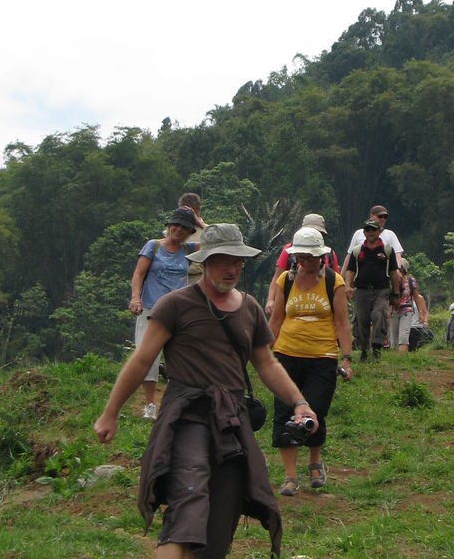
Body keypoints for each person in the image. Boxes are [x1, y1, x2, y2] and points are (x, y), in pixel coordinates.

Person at [95, 223, 319, 559]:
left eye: (237, 262)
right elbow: (142, 360)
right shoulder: (176, 305)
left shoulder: (249, 308)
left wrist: (299, 403)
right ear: (205, 262)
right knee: (188, 502)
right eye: (223, 261)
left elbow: (266, 363)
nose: (231, 270)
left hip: (231, 421)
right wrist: (110, 413)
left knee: (221, 518)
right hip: (187, 416)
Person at [268, 226, 353, 496]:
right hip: (286, 354)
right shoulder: (286, 281)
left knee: (315, 411)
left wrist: (347, 359)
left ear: (321, 257)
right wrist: (265, 354)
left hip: (322, 356)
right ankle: (290, 476)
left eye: (311, 257)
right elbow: (277, 319)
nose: (306, 261)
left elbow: (342, 322)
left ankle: (315, 462)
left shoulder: (333, 281)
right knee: (284, 414)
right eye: (302, 257)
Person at [128, 206, 200, 419]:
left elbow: (216, 242)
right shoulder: (154, 246)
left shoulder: (188, 250)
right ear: (169, 226)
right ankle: (150, 404)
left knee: (179, 357)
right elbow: (138, 274)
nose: (178, 230)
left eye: (184, 227)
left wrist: (198, 221)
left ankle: (174, 402)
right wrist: (135, 298)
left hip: (178, 311)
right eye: (175, 225)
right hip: (151, 308)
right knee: (147, 354)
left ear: (189, 231)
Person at [344, 219, 401, 361]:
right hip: (361, 290)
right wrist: (348, 286)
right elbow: (350, 270)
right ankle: (364, 350)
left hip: (381, 290)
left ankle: (377, 348)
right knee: (361, 319)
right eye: (367, 230)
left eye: (373, 230)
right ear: (364, 232)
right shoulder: (358, 251)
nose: (370, 232)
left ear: (378, 232)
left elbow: (394, 272)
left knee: (379, 315)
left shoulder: (387, 250)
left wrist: (396, 293)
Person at [264, 213, 340, 316]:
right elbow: (277, 278)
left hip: (322, 309)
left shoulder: (329, 254)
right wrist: (271, 300)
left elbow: (337, 285)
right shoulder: (288, 251)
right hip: (291, 306)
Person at [340, 204, 404, 276]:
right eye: (380, 216)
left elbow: (397, 254)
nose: (382, 219)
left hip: (383, 277)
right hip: (360, 277)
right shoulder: (359, 233)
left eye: (385, 217)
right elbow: (350, 256)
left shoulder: (390, 234)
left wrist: (397, 270)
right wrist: (341, 277)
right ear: (371, 216)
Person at [390, 258, 426, 353]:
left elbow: (416, 297)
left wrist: (420, 313)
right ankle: (395, 359)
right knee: (394, 337)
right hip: (394, 310)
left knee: (403, 335)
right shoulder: (391, 280)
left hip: (406, 310)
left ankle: (402, 358)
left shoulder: (410, 281)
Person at [177, 192, 206, 285]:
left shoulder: (207, 231)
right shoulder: (175, 230)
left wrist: (197, 222)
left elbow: (219, 242)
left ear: (197, 210)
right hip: (176, 279)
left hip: (199, 279)